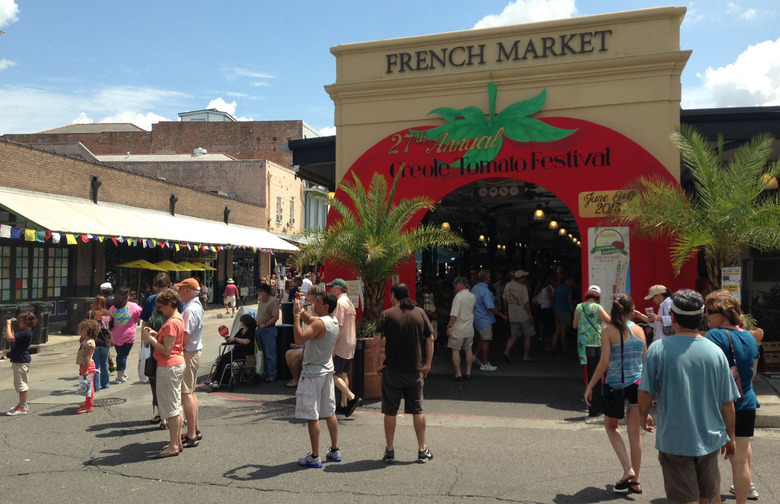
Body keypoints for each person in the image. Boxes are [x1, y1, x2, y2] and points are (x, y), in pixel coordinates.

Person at [638, 289, 740, 504]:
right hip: (710, 439)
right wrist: (730, 436)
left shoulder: (658, 349)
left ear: (672, 317)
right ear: (701, 317)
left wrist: (643, 415)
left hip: (674, 440)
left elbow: (645, 392)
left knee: (685, 499)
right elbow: (727, 402)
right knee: (706, 497)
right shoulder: (716, 352)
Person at [584, 294, 647, 494]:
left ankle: (628, 469)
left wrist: (590, 386)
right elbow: (645, 359)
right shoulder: (639, 330)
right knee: (635, 434)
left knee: (612, 427)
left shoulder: (608, 331)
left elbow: (604, 362)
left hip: (615, 385)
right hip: (637, 384)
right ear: (632, 309)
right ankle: (635, 480)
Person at [704, 290, 761, 504]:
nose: (706, 315)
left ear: (725, 314)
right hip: (746, 403)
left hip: (718, 405)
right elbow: (752, 373)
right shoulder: (749, 337)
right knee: (741, 461)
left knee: (711, 461)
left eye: (710, 311)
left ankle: (716, 501)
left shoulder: (714, 336)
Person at [374, 283, 434, 464]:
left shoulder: (387, 314)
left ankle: (390, 450)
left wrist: (376, 363)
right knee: (417, 410)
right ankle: (422, 449)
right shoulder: (420, 313)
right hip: (414, 370)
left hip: (392, 370)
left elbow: (377, 340)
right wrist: (428, 363)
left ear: (393, 295)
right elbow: (430, 338)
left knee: (390, 411)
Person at [292, 291, 341, 468]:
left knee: (313, 416)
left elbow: (299, 338)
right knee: (329, 412)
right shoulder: (332, 321)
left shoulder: (320, 323)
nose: (314, 304)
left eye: (318, 301)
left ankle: (315, 456)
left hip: (313, 373)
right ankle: (335, 450)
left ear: (326, 306)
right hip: (326, 370)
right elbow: (309, 319)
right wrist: (299, 308)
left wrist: (296, 316)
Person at [142, 288, 186, 459]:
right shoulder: (177, 319)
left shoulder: (171, 322)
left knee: (171, 407)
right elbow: (171, 342)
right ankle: (177, 441)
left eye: (161, 307)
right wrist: (156, 334)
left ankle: (174, 445)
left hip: (169, 366)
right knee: (176, 405)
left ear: (170, 304)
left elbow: (166, 350)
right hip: (175, 364)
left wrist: (151, 339)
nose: (159, 310)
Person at [140, 273, 182, 429]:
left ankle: (172, 417)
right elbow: (145, 321)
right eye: (157, 287)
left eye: (162, 287)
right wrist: (144, 340)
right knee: (154, 381)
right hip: (155, 345)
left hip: (168, 348)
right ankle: (161, 413)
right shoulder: (151, 300)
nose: (159, 290)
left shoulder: (176, 302)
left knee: (171, 388)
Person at [176, 277, 204, 448]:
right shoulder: (195, 306)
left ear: (187, 291)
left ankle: (191, 434)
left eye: (181, 289)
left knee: (186, 393)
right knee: (190, 392)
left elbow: (184, 337)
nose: (179, 292)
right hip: (193, 351)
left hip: (189, 353)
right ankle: (195, 429)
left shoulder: (190, 309)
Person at [327, 278, 362, 416]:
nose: (330, 290)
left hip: (341, 343)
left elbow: (338, 326)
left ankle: (352, 397)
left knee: (332, 373)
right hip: (350, 341)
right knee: (344, 373)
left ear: (337, 288)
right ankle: (344, 403)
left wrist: (332, 345)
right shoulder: (349, 302)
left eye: (331, 287)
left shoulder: (340, 303)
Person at [573, 285, 610, 383]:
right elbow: (609, 321)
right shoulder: (598, 308)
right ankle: (597, 389)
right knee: (598, 366)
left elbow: (574, 325)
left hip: (582, 341)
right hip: (595, 341)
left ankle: (588, 389)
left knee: (587, 368)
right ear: (598, 296)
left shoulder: (579, 307)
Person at [208, 314, 256, 389]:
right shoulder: (241, 330)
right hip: (236, 350)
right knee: (222, 358)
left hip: (244, 352)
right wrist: (229, 339)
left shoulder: (251, 331)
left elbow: (246, 341)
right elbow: (234, 338)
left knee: (226, 360)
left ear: (244, 322)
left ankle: (220, 380)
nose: (240, 323)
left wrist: (236, 339)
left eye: (241, 321)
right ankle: (216, 379)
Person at [472, 269, 507, 372]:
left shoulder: (475, 288)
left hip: (476, 316)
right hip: (484, 318)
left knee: (482, 339)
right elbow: (490, 307)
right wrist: (501, 315)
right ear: (487, 279)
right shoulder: (485, 291)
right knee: (486, 340)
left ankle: (476, 356)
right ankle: (485, 363)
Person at [109, 287, 142, 384]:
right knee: (123, 355)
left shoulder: (112, 308)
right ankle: (119, 376)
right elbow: (139, 317)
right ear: (127, 297)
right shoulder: (134, 306)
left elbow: (109, 320)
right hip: (128, 335)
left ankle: (121, 373)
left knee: (120, 354)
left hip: (115, 336)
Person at [446, 276, 476, 380]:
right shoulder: (473, 296)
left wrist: (449, 326)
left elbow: (454, 314)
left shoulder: (458, 297)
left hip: (458, 328)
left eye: (456, 284)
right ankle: (468, 372)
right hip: (469, 328)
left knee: (455, 350)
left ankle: (458, 374)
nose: (455, 286)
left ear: (461, 285)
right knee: (468, 350)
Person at [5, 312, 36, 416]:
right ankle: (21, 404)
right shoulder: (23, 332)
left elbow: (9, 338)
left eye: (20, 321)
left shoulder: (26, 333)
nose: (18, 323)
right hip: (19, 360)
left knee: (21, 384)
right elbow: (13, 338)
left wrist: (8, 325)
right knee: (19, 383)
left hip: (21, 361)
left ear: (26, 322)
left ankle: (23, 406)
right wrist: (12, 327)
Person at [502, 269, 535, 363]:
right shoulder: (523, 288)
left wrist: (506, 310)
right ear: (520, 278)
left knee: (514, 335)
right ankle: (526, 356)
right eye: (524, 277)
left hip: (513, 315)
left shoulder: (508, 285)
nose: (525, 279)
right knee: (527, 336)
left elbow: (505, 300)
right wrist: (530, 315)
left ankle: (507, 351)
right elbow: (526, 303)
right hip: (523, 316)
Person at [85, 296, 114, 392]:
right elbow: (112, 328)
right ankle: (105, 384)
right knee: (104, 363)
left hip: (94, 342)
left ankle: (96, 386)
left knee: (95, 364)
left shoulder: (90, 313)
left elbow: (84, 326)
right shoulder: (108, 313)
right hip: (105, 341)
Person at [256, 283, 280, 382]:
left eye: (260, 291)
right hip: (260, 329)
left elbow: (275, 316)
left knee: (270, 354)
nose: (258, 293)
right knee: (263, 353)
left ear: (265, 292)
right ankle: (265, 373)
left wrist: (266, 324)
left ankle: (272, 374)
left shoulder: (273, 301)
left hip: (268, 330)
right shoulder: (261, 301)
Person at [75, 319, 99, 414]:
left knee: (89, 386)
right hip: (84, 365)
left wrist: (85, 370)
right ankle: (87, 404)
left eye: (84, 329)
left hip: (87, 366)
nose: (81, 330)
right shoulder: (86, 340)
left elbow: (88, 357)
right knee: (86, 385)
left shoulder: (89, 343)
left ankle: (88, 405)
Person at [551, 276, 575, 354]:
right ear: (567, 280)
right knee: (564, 331)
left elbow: (553, 299)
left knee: (558, 329)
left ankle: (553, 346)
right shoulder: (568, 289)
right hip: (564, 310)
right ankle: (564, 349)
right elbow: (570, 301)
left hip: (556, 309)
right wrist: (574, 311)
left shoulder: (557, 288)